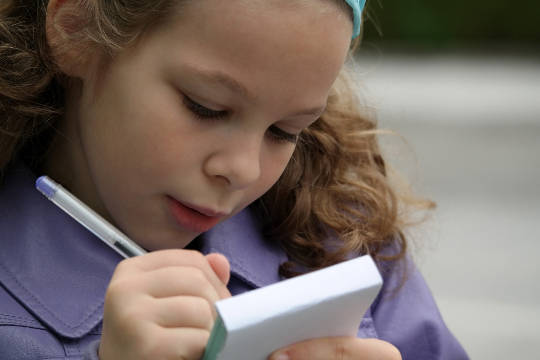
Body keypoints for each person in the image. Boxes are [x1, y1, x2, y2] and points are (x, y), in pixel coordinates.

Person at [0, 0, 469, 359]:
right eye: (206, 106)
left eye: (286, 132)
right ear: (76, 28)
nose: (242, 169)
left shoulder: (343, 242)